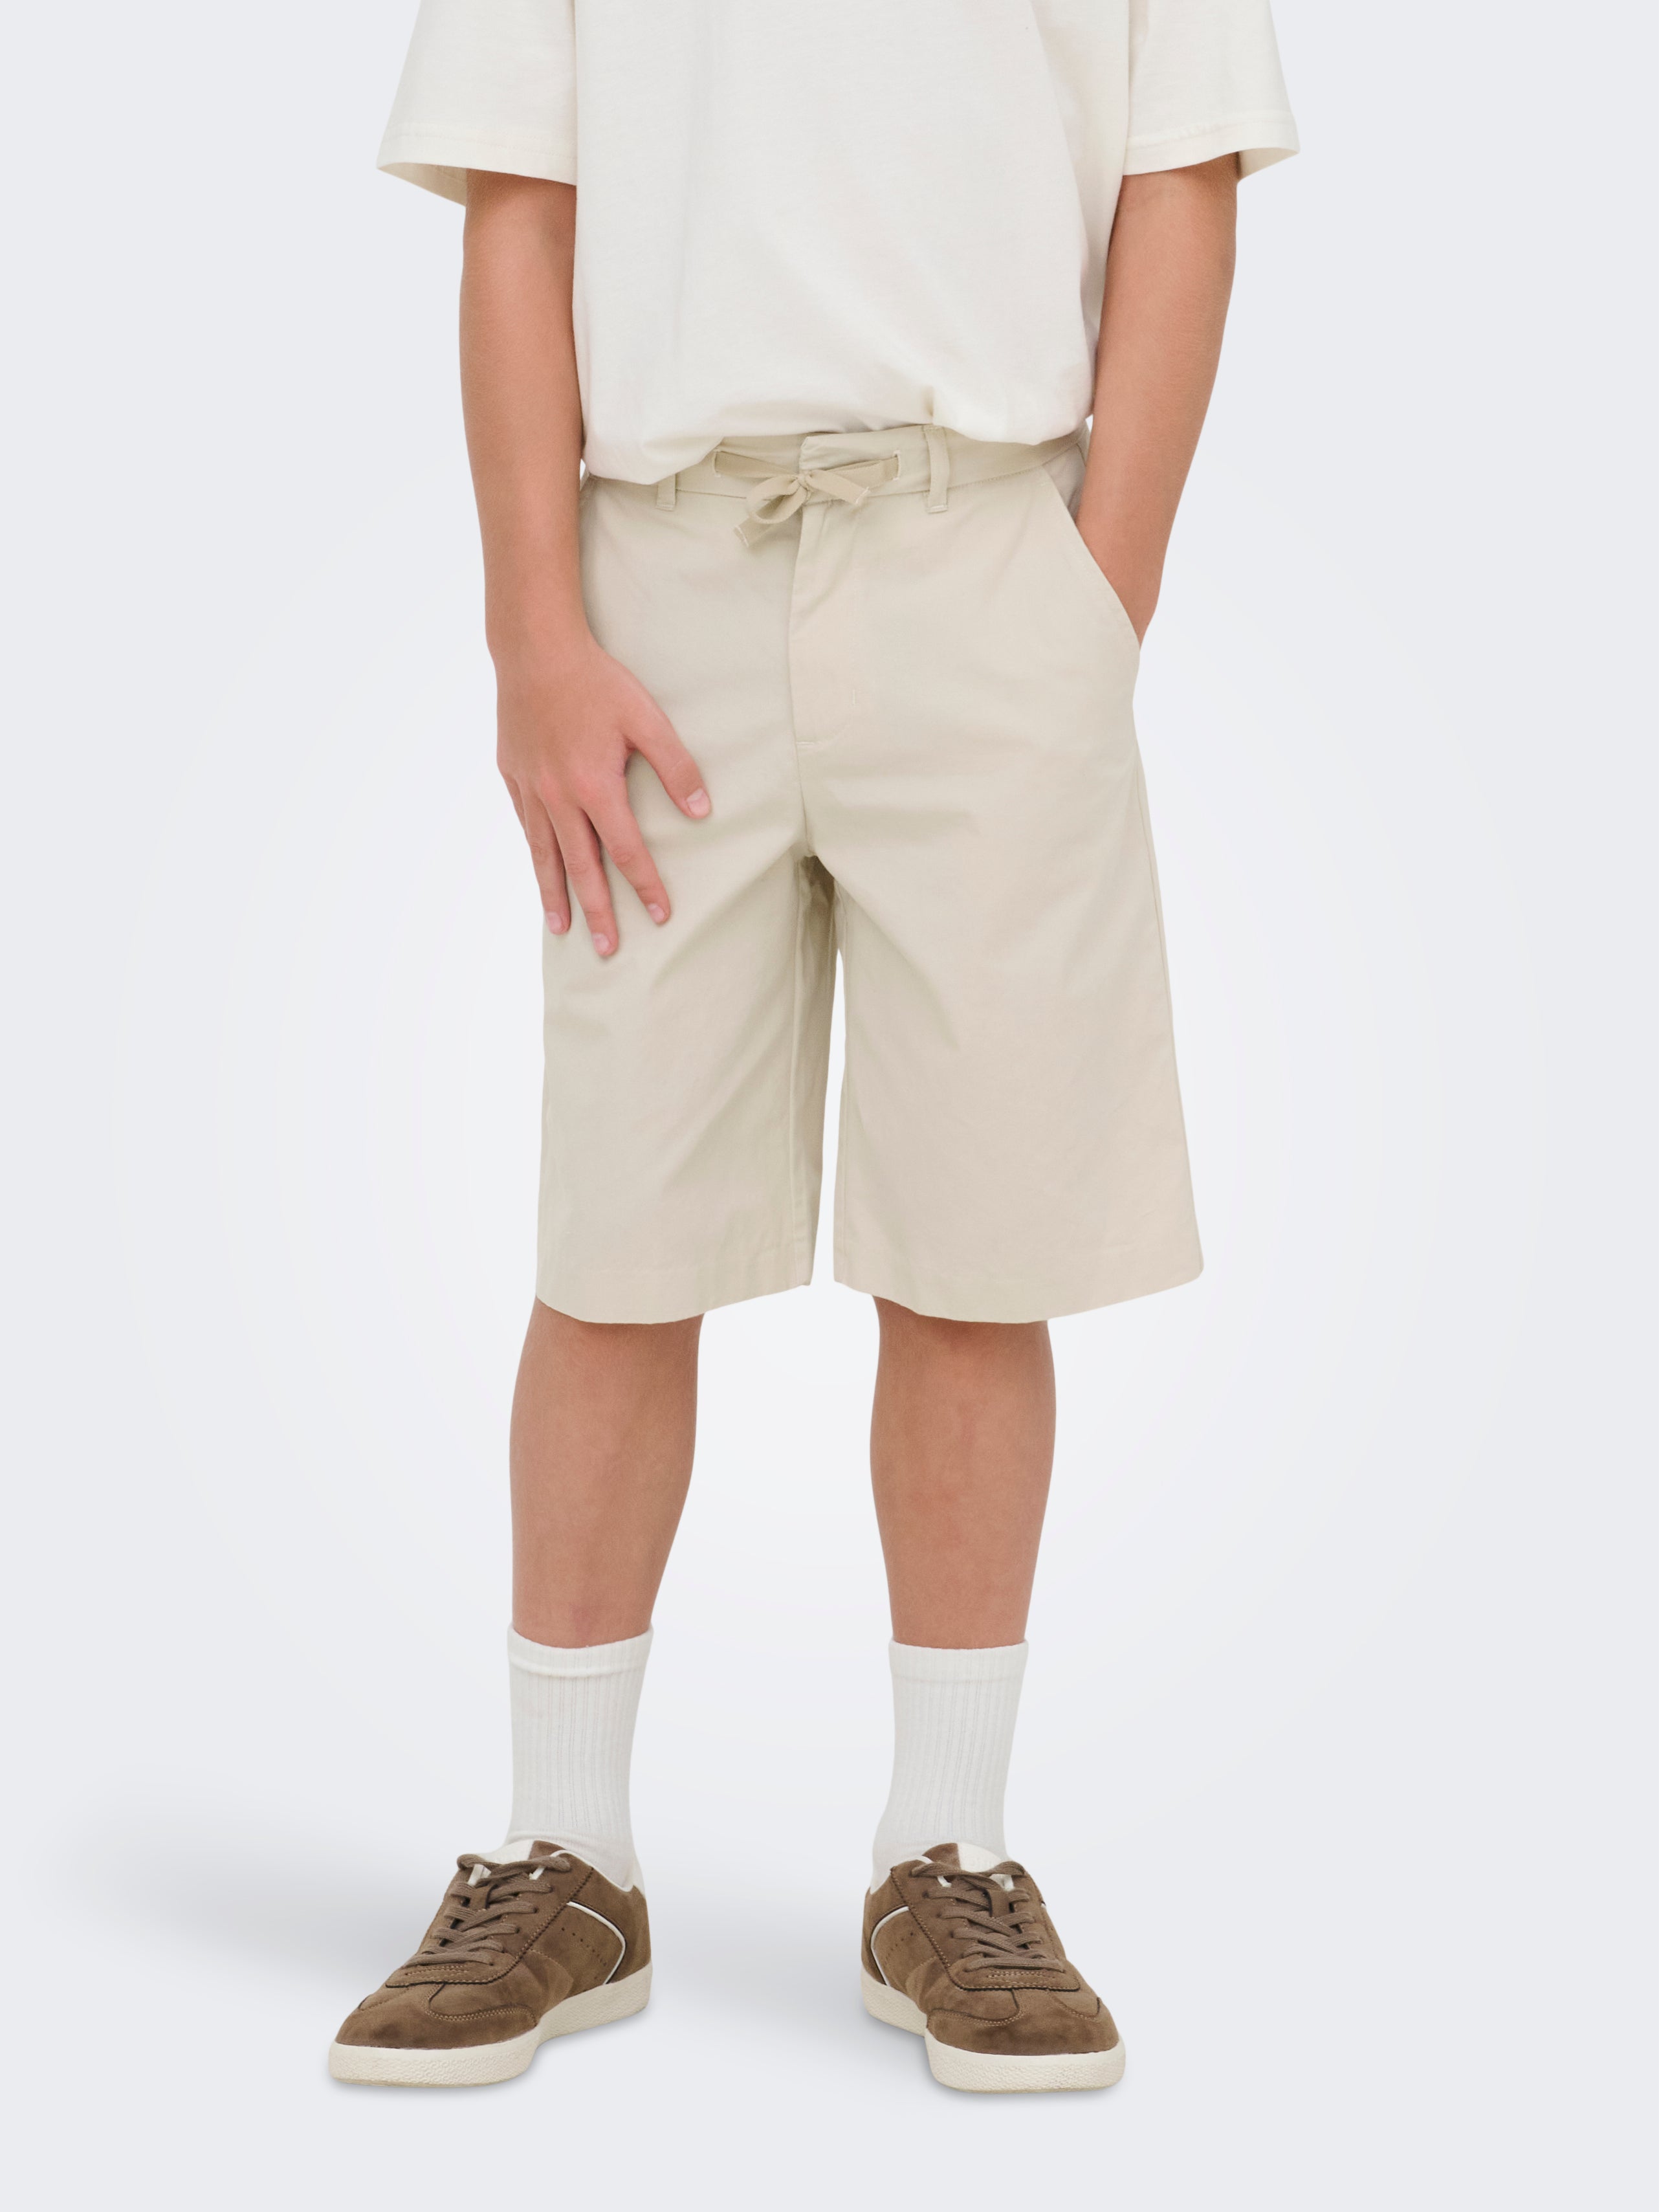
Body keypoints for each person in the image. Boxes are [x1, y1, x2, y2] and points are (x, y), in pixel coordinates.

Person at [328, 0, 1297, 2095]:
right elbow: (517, 200)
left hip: (989, 559)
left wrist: (1094, 601)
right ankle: (564, 1855)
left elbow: (1184, 169)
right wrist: (531, 631)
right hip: (658, 578)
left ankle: (947, 1855)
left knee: (979, 1237)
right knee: (619, 1228)